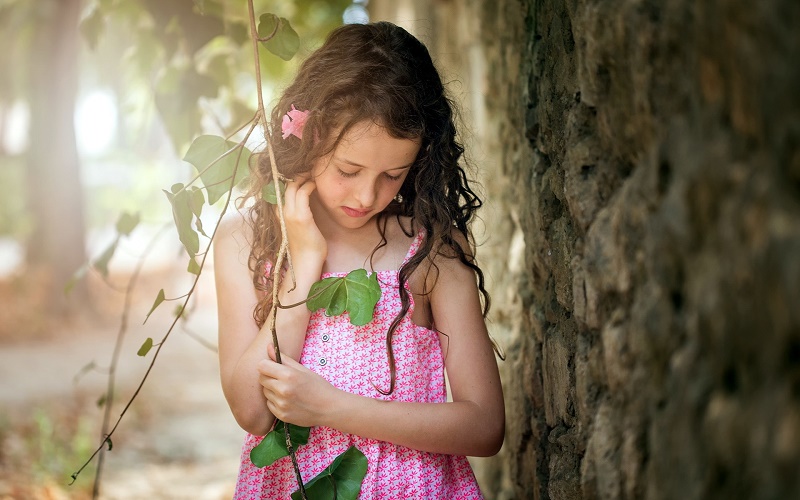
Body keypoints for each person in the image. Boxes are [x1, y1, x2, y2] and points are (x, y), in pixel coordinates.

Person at [214, 21, 505, 499]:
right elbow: (251, 410)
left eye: (393, 175)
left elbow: (485, 425)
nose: (367, 195)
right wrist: (305, 266)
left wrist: (333, 408)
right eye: (348, 170)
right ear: (307, 138)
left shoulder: (431, 250)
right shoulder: (247, 242)